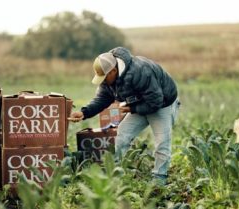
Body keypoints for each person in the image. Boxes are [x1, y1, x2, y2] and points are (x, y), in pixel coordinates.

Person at [70, 47, 180, 185]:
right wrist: (84, 112)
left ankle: (159, 178)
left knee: (162, 141)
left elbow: (155, 101)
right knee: (123, 134)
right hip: (140, 104)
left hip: (162, 103)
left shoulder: (140, 71)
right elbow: (102, 99)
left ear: (114, 71)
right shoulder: (108, 81)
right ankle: (117, 173)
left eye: (104, 77)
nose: (103, 81)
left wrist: (133, 108)